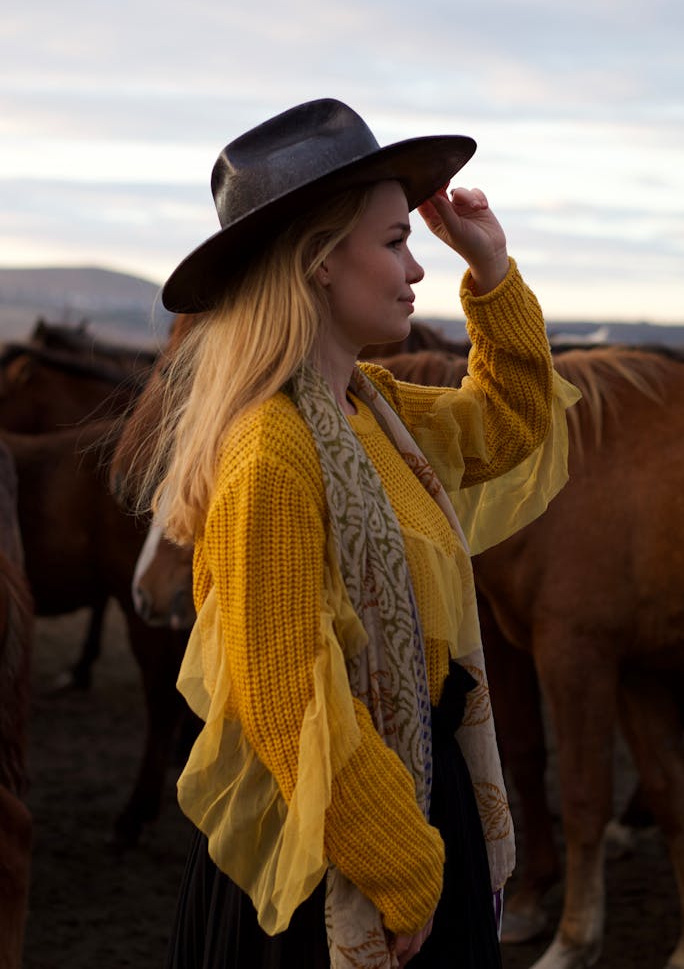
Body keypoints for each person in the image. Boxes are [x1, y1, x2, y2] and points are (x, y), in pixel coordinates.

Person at [139, 99, 577, 969]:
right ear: (318, 265)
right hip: (341, 853)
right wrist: (400, 866)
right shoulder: (273, 451)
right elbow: (286, 693)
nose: (416, 267)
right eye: (392, 242)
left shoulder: (368, 413)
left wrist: (490, 272)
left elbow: (509, 422)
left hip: (408, 800)